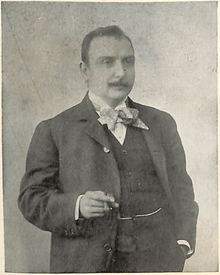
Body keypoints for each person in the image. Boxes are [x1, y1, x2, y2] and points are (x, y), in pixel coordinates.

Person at [18, 25, 199, 273]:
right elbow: (31, 198)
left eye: (128, 61)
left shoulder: (162, 123)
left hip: (159, 263)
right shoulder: (54, 130)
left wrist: (182, 243)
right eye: (107, 62)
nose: (120, 72)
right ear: (85, 70)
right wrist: (77, 205)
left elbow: (182, 190)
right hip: (88, 265)